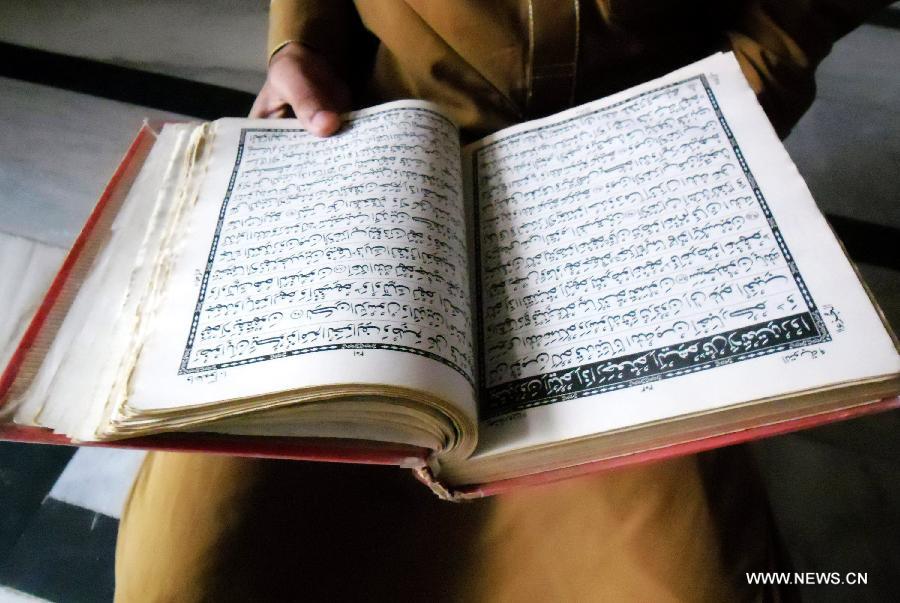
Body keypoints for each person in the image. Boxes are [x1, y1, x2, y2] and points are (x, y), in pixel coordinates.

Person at [115, 1, 889, 601]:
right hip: (390, 141)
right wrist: (303, 43)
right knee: (185, 574)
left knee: (700, 581)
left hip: (643, 148)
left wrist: (753, 74)